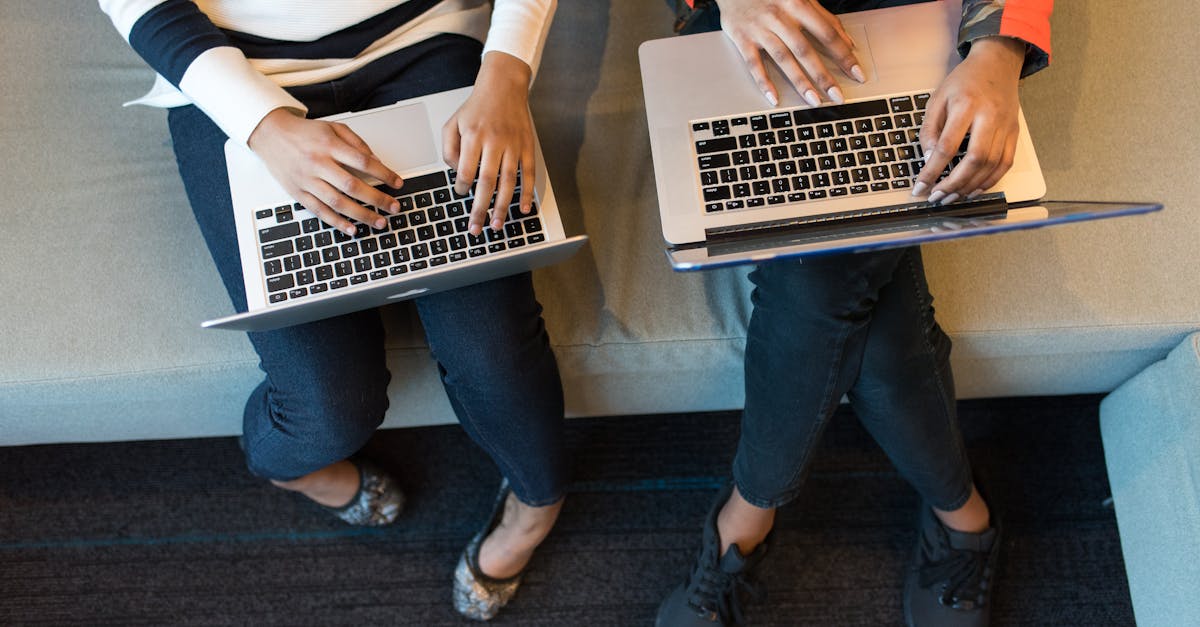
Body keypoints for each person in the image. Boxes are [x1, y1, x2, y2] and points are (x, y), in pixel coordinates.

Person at [98, 0, 563, 620]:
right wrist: (263, 124)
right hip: (236, 67)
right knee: (326, 405)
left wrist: (506, 74)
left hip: (424, 37)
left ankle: (538, 506)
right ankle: (290, 471)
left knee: (494, 349)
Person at [654, 1, 1052, 626]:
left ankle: (746, 519)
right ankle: (963, 514)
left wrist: (998, 48)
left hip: (915, 19)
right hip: (750, 19)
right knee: (860, 311)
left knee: (822, 284)